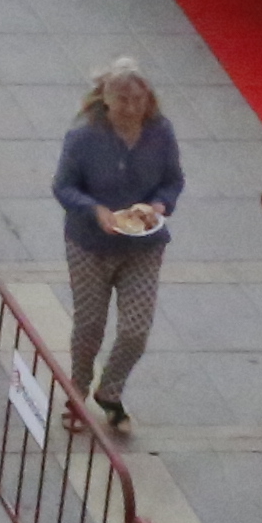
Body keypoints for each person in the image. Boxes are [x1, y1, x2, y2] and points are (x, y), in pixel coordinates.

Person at [50, 64, 181, 423]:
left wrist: (158, 206)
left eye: (137, 99)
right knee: (89, 325)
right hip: (90, 244)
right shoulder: (83, 137)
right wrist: (95, 210)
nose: (131, 107)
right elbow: (63, 187)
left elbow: (173, 181)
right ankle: (77, 392)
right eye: (122, 99)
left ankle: (110, 391)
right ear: (105, 100)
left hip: (143, 245)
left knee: (135, 331)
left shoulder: (160, 133)